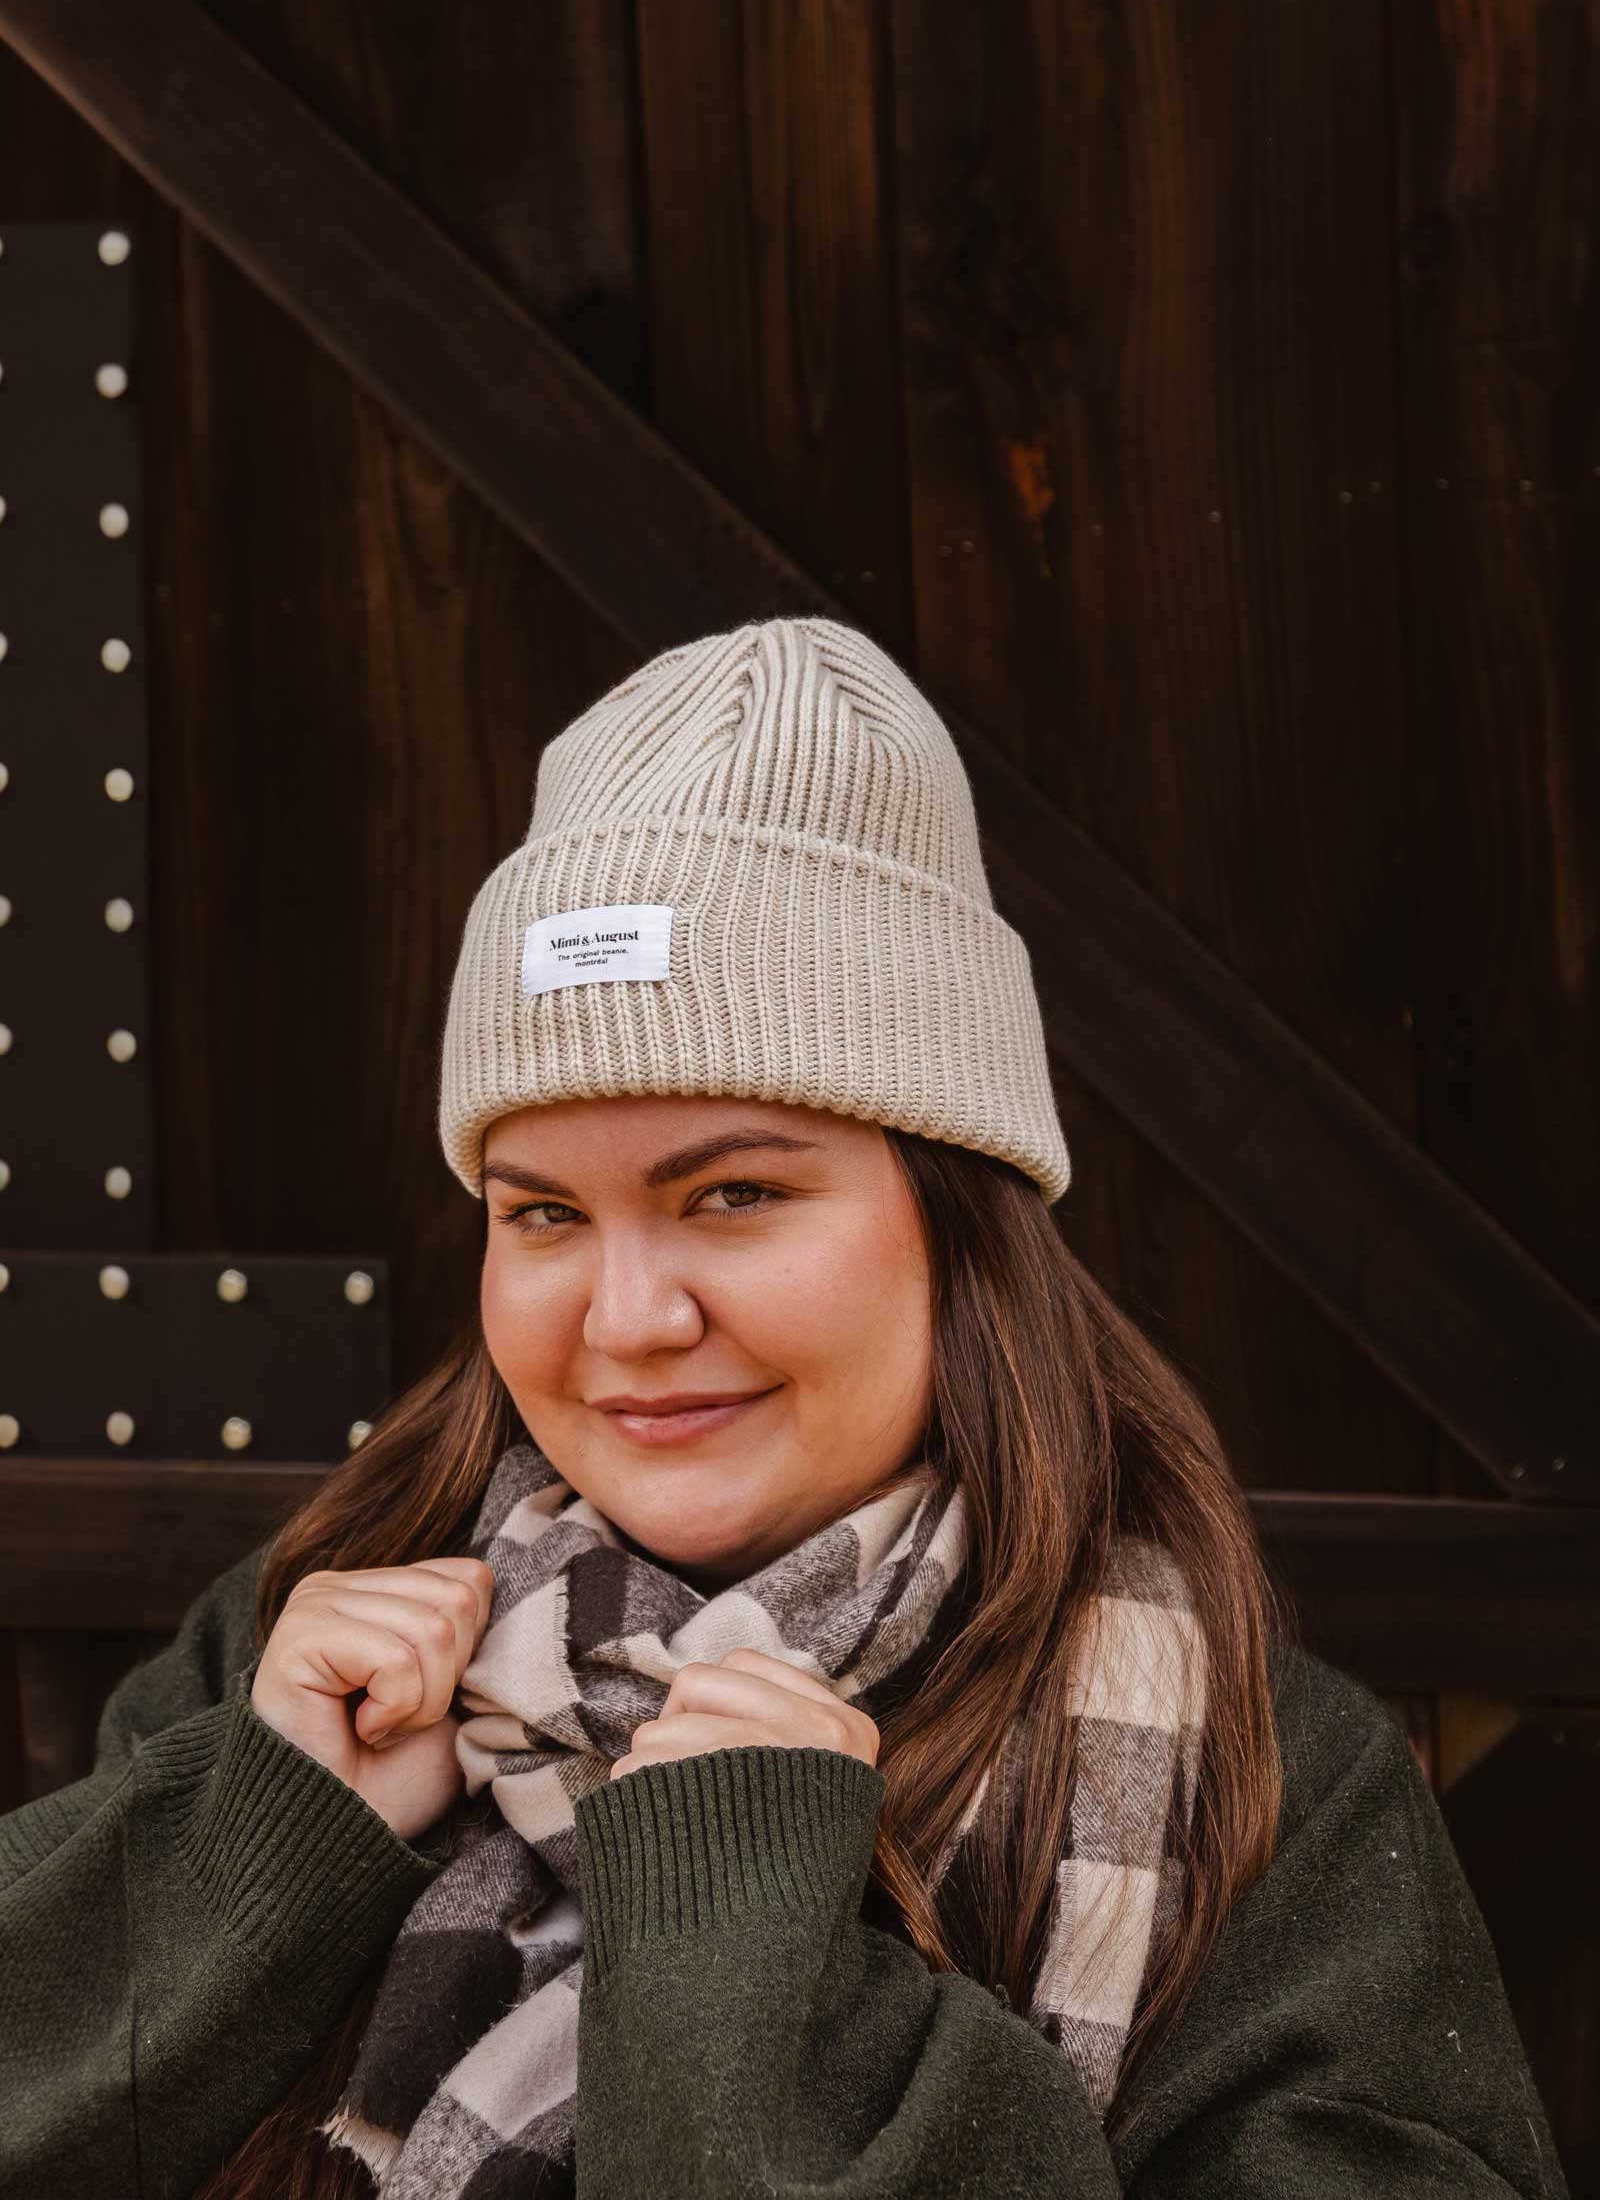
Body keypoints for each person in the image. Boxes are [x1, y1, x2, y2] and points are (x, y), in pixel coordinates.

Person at [0, 616, 1568, 2200]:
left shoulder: (1258, 1784)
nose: (627, 1317)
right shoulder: (303, 1663)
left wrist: (769, 1979)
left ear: (963, 1222)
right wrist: (242, 1866)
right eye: (541, 1211)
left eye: (735, 1190)